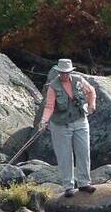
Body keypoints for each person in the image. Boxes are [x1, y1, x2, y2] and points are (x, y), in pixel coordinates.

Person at [34, 59, 97, 197]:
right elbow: (49, 106)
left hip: (80, 121)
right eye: (62, 73)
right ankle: (68, 186)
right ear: (58, 72)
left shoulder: (79, 80)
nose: (64, 75)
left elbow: (91, 91)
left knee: (83, 152)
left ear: (71, 71)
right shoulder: (53, 86)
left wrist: (92, 104)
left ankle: (84, 183)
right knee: (65, 156)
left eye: (67, 72)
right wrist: (44, 121)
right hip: (60, 125)